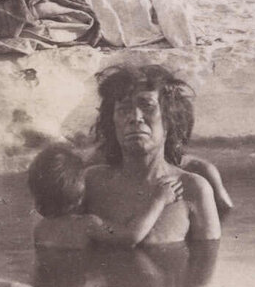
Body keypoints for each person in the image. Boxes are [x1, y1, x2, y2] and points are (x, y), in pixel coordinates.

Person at [81, 64, 221, 244]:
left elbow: (206, 258)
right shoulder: (91, 183)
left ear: (169, 119)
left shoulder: (193, 188)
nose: (135, 117)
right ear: (112, 122)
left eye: (147, 106)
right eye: (123, 109)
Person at [26, 142, 183, 249]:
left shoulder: (40, 229)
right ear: (79, 197)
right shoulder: (88, 224)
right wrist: (159, 199)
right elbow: (131, 236)